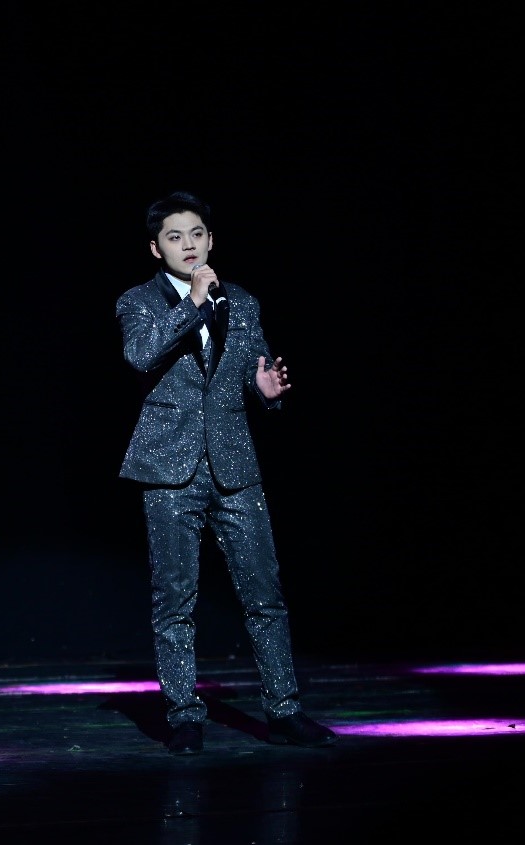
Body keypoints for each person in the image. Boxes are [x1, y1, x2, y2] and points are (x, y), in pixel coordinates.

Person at [115, 190, 337, 755]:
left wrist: (266, 391)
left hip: (235, 465)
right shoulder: (138, 301)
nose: (188, 245)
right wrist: (191, 303)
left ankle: (284, 711)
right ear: (156, 248)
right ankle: (184, 716)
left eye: (196, 234)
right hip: (168, 468)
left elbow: (253, 372)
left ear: (211, 240)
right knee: (175, 601)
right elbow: (140, 355)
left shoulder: (242, 302)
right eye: (174, 237)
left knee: (265, 595)